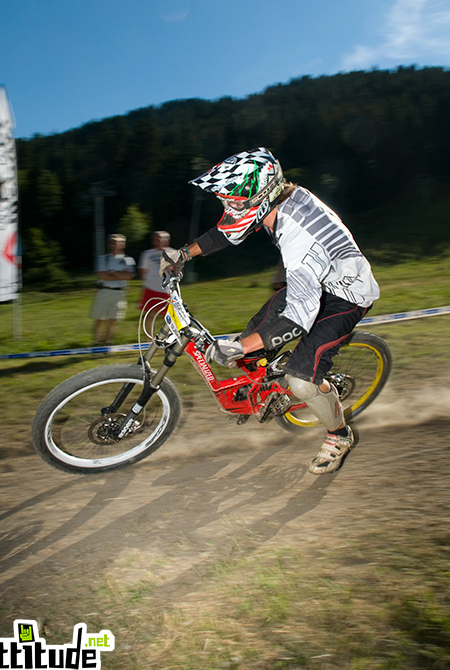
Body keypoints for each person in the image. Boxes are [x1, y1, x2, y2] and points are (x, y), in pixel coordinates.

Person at [160, 148, 380, 475]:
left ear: (261, 197)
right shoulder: (277, 200)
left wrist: (243, 346)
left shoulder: (297, 236)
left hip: (346, 296)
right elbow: (228, 232)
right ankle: (269, 385)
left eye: (233, 201)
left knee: (301, 381)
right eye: (226, 201)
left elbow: (299, 317)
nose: (228, 208)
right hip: (316, 279)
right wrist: (183, 254)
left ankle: (340, 433)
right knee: (251, 341)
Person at [91, 234, 136, 346]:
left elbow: (129, 276)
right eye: (113, 242)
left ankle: (108, 343)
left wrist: (113, 273)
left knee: (113, 320)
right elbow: (102, 275)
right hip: (104, 291)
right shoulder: (102, 259)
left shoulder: (128, 260)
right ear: (109, 244)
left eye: (118, 242)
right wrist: (120, 275)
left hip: (119, 293)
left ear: (123, 244)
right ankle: (96, 343)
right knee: (99, 319)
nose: (115, 245)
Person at [138, 231, 171, 319]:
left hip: (166, 290)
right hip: (150, 288)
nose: (159, 241)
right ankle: (148, 333)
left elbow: (178, 271)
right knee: (149, 314)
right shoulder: (147, 254)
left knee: (170, 315)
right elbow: (143, 271)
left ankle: (169, 332)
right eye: (156, 239)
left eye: (161, 239)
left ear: (167, 240)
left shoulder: (173, 253)